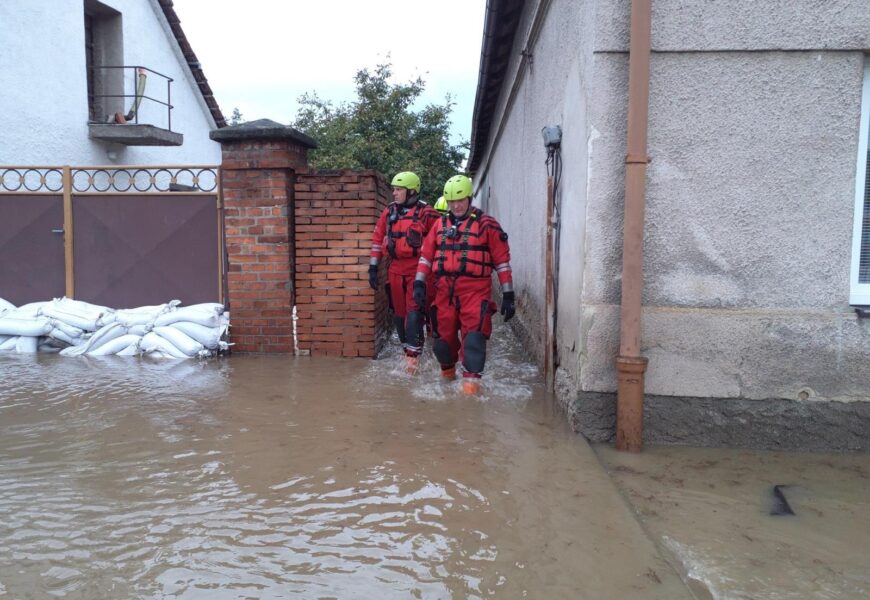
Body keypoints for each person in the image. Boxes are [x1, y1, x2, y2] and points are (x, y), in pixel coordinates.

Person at [413, 175, 515, 394]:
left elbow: (502, 262)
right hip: (444, 291)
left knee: (474, 340)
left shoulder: (487, 225)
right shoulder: (439, 225)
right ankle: (448, 381)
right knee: (443, 343)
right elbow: (426, 257)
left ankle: (470, 394)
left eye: (460, 200)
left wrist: (508, 294)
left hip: (475, 291)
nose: (456, 206)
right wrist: (419, 283)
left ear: (469, 198)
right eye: (451, 202)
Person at [369, 171, 440, 372]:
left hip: (418, 270)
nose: (394, 193)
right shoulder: (389, 212)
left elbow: (441, 242)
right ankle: (407, 350)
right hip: (395, 270)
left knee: (414, 312)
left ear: (411, 191)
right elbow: (378, 239)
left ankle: (413, 359)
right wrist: (373, 266)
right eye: (394, 189)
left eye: (398, 190)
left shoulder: (427, 213)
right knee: (399, 316)